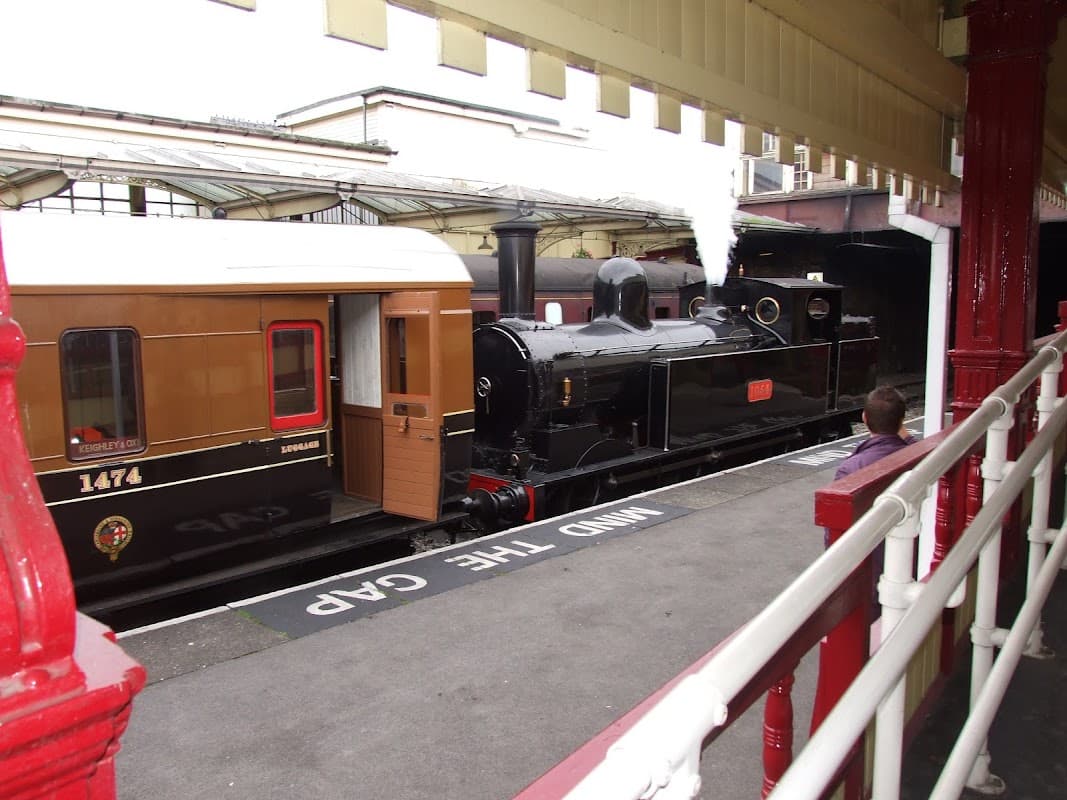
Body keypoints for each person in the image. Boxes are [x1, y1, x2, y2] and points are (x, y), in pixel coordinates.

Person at [834, 384, 916, 481]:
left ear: (864, 418)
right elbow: (919, 447)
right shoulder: (920, 457)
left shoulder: (849, 469)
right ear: (902, 420)